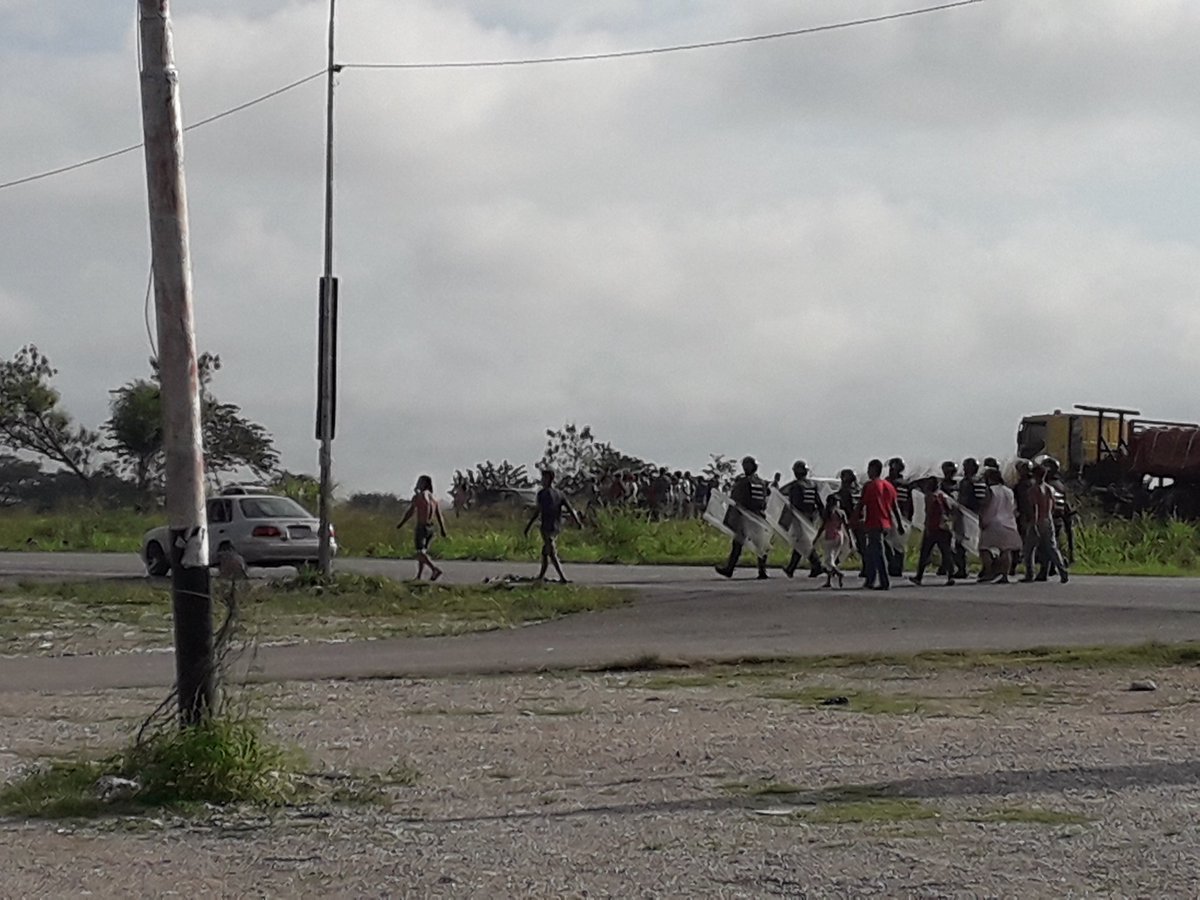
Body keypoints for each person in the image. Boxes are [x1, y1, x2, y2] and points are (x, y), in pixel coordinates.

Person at [715, 456, 770, 579]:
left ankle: (729, 569)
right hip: (759, 515)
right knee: (760, 544)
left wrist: (731, 517)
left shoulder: (743, 482)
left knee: (738, 543)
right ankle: (762, 570)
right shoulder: (761, 482)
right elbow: (764, 501)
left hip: (745, 516)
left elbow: (736, 500)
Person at [524, 469, 582, 583]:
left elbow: (538, 511)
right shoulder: (558, 493)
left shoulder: (546, 494)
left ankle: (562, 577)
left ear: (548, 479)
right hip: (555, 526)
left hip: (548, 526)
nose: (542, 480)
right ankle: (541, 576)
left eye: (543, 478)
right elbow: (570, 509)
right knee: (546, 551)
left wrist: (528, 526)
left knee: (551, 551)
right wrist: (577, 522)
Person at [856, 458, 902, 590]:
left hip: (874, 522)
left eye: (869, 469)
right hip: (886, 523)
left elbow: (861, 504)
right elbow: (895, 507)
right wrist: (898, 524)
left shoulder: (870, 486)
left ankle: (884, 580)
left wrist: (854, 519)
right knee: (871, 552)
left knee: (878, 553)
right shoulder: (889, 486)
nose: (868, 472)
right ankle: (870, 580)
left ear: (874, 469)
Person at [396, 475, 448, 581]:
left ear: (424, 484)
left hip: (422, 527)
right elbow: (439, 515)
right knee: (423, 553)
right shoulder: (434, 498)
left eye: (419, 482)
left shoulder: (421, 496)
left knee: (420, 552)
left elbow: (411, 511)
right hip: (431, 527)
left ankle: (434, 569)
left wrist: (401, 523)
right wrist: (442, 529)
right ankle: (419, 576)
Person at [1024, 464, 1070, 583]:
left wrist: (1034, 523)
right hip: (1048, 519)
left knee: (1029, 549)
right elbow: (1053, 505)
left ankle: (1030, 573)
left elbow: (1034, 507)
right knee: (1051, 548)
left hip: (1037, 520)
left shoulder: (1033, 490)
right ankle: (1062, 570)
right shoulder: (1050, 489)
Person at [781, 459, 824, 578]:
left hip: (800, 517)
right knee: (802, 542)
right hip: (811, 516)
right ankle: (792, 568)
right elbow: (818, 502)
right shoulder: (812, 484)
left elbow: (794, 504)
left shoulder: (796, 486)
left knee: (803, 542)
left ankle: (817, 564)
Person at [978, 468, 1022, 583]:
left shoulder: (991, 490)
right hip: (1008, 523)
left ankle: (989, 571)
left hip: (992, 522)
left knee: (984, 549)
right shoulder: (1008, 491)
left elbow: (986, 505)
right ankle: (1004, 575)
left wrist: (982, 519)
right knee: (1006, 550)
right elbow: (1013, 507)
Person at [910, 477, 955, 586]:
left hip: (933, 527)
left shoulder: (929, 497)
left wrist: (927, 527)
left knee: (925, 552)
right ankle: (951, 576)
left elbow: (929, 513)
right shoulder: (943, 496)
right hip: (944, 527)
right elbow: (952, 509)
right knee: (946, 552)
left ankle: (919, 576)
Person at [952, 457, 988, 579]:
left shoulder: (973, 482)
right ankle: (963, 568)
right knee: (964, 543)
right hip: (968, 515)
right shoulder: (972, 482)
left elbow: (976, 500)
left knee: (970, 543)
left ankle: (969, 568)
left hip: (969, 515)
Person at [885, 458, 914, 578]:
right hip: (889, 516)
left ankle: (897, 566)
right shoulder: (887, 482)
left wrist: (907, 518)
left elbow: (908, 503)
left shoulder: (904, 484)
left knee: (898, 544)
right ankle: (893, 565)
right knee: (888, 542)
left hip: (901, 517)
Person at [835, 468, 865, 575]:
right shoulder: (859, 490)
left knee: (847, 544)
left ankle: (833, 565)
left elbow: (846, 506)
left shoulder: (845, 491)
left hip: (850, 520)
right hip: (861, 519)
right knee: (861, 544)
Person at [819, 493, 850, 588]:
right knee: (832, 558)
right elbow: (847, 527)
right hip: (840, 536)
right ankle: (829, 581)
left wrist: (817, 537)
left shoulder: (828, 512)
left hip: (830, 536)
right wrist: (850, 539)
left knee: (828, 560)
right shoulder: (841, 512)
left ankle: (839, 574)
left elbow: (823, 526)